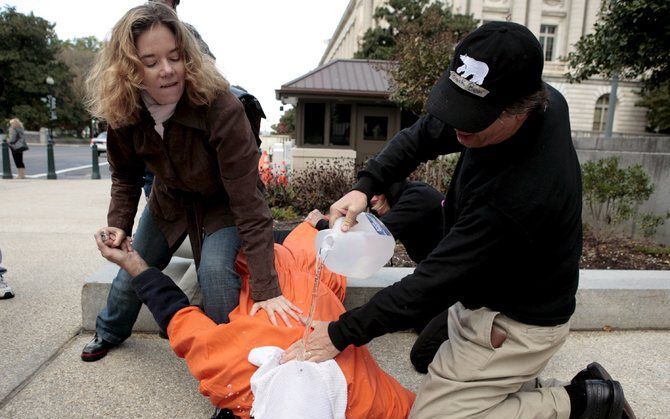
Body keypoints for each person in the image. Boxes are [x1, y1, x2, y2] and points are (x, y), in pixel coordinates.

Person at [283, 22, 636, 419]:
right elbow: (422, 135)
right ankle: (510, 384)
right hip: (487, 287)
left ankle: (583, 400)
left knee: (433, 416)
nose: (457, 127)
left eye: (472, 118)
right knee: (425, 355)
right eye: (456, 106)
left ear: (519, 110)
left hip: (520, 318)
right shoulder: (538, 98)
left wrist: (339, 334)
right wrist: (367, 186)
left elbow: (433, 282)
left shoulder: (521, 195)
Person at [81, 3, 300, 362]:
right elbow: (124, 175)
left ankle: (225, 357)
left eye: (175, 57)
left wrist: (266, 289)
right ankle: (109, 330)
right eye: (150, 62)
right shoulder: (123, 112)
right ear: (128, 70)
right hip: (169, 200)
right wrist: (118, 224)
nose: (167, 71)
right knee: (134, 261)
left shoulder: (222, 108)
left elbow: (248, 201)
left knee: (214, 272)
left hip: (223, 203)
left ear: (188, 57)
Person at [94, 221, 415, 419]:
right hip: (304, 270)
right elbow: (177, 315)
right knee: (299, 244)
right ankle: (310, 224)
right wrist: (132, 262)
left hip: (266, 264)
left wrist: (134, 262)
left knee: (218, 251)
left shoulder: (233, 371)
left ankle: (308, 225)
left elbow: (176, 313)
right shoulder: (371, 401)